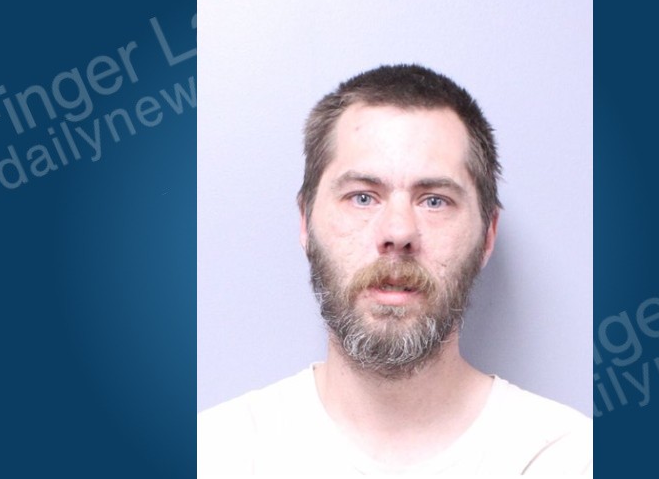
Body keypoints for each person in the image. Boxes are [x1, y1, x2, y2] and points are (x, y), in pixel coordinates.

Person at [197, 64, 592, 475]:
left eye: (434, 200)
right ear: (305, 222)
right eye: (363, 197)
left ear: (488, 234)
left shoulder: (567, 459)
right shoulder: (216, 454)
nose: (398, 233)